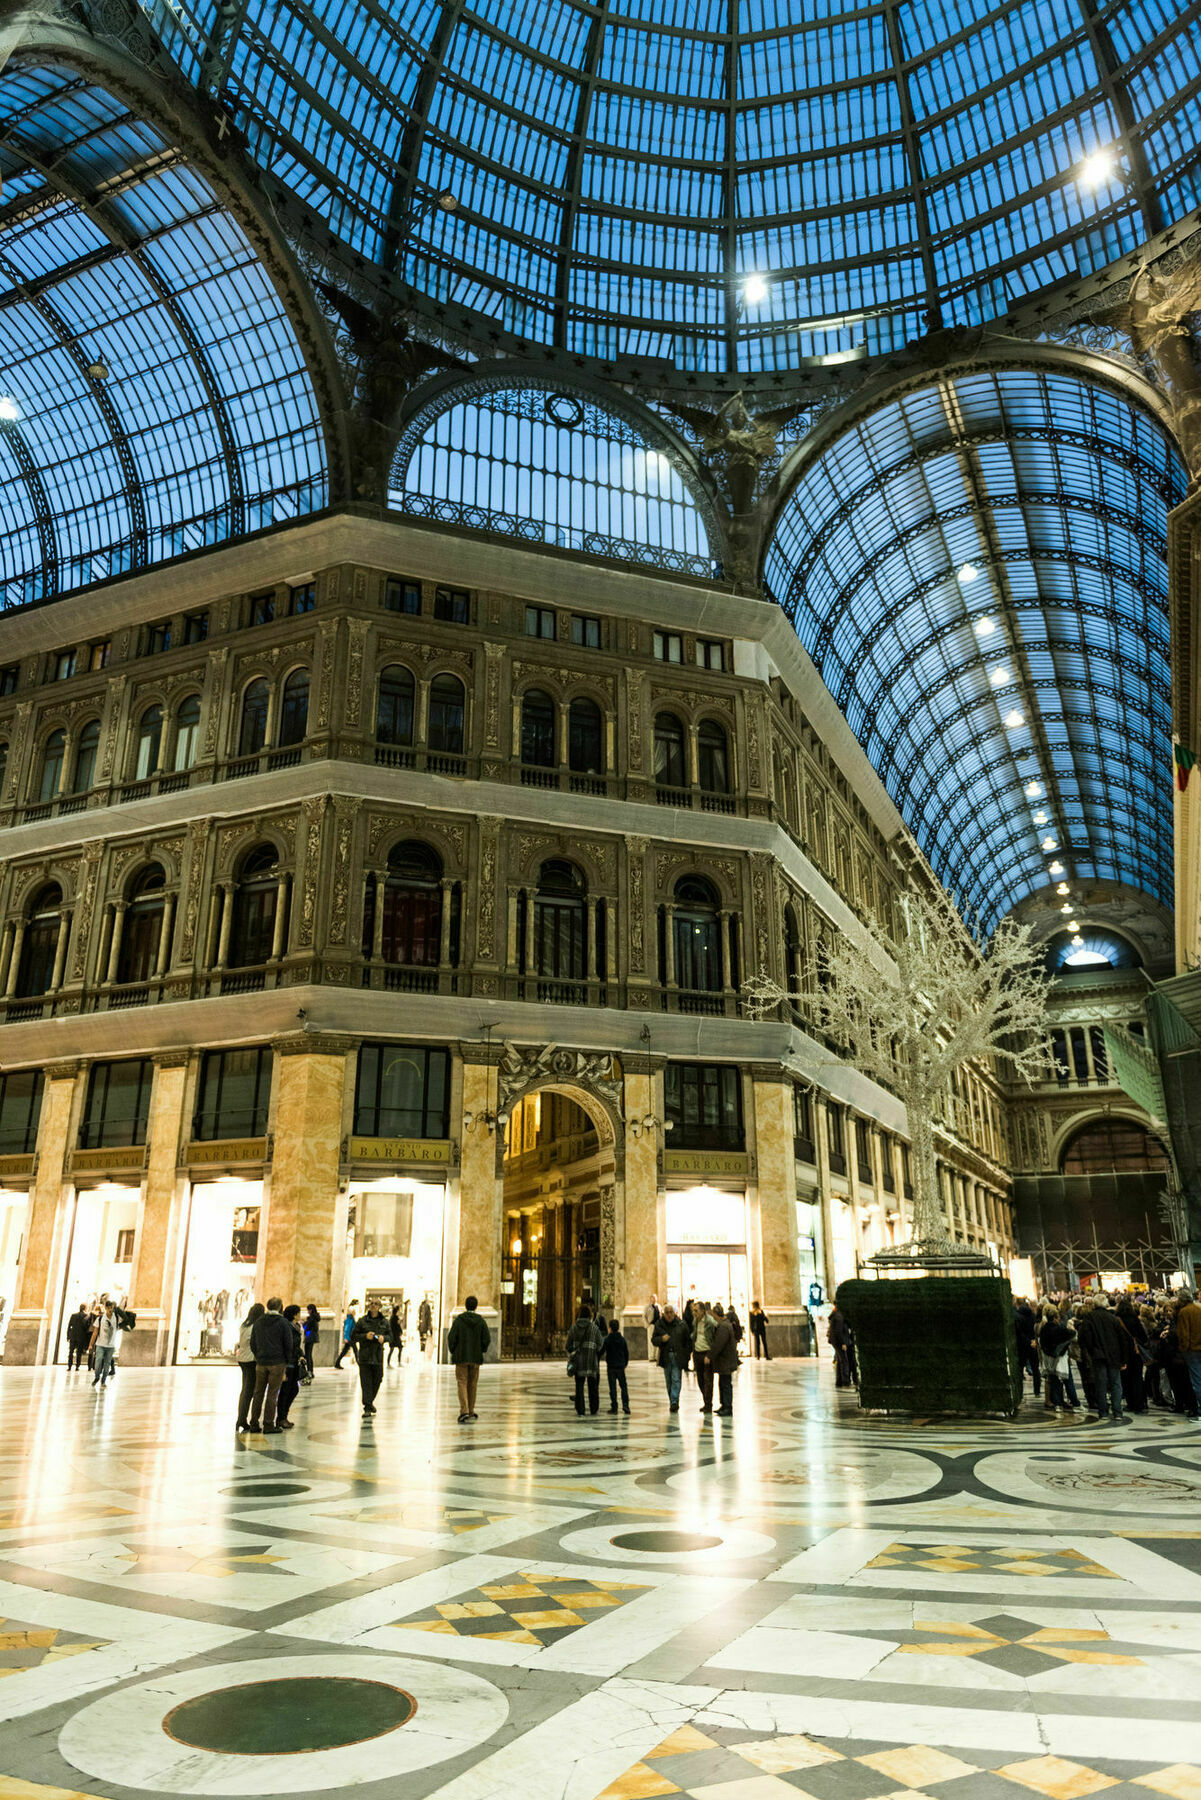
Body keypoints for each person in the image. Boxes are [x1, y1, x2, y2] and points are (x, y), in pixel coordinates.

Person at [246, 1297, 293, 1434]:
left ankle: (254, 1423)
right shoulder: (283, 1322)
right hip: (277, 1363)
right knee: (272, 1394)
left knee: (258, 1393)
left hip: (261, 1363)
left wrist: (259, 1356)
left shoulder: (259, 1322)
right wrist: (286, 1361)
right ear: (280, 1307)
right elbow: (288, 1344)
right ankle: (268, 1424)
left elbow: (253, 1342)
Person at [448, 1295, 490, 1422]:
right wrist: (481, 1350)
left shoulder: (459, 1320)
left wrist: (453, 1350)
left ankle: (464, 1410)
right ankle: (471, 1410)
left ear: (466, 1306)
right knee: (473, 1384)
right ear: (476, 1306)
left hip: (461, 1357)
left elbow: (451, 1338)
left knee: (462, 1382)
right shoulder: (481, 1321)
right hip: (475, 1358)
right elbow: (486, 1339)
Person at [1037, 1305, 1077, 1414]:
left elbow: (1041, 1343)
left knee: (1054, 1381)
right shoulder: (1059, 1328)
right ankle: (1075, 1403)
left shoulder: (1043, 1328)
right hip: (1061, 1359)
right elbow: (1072, 1334)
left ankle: (1058, 1403)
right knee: (1068, 1381)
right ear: (1055, 1318)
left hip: (1049, 1360)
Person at [652, 1304, 692, 1413]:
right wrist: (661, 1339)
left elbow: (688, 1341)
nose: (669, 1315)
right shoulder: (659, 1324)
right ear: (663, 1314)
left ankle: (674, 1401)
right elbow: (654, 1340)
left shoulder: (681, 1324)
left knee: (676, 1379)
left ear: (674, 1313)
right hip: (666, 1356)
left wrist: (687, 1356)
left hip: (677, 1356)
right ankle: (672, 1400)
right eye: (667, 1313)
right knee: (669, 1381)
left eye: (671, 1312)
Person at [566, 1305, 604, 1415]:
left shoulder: (573, 1328)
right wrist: (594, 1351)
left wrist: (573, 1353)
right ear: (589, 1316)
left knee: (579, 1386)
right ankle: (594, 1408)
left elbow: (568, 1345)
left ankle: (580, 1409)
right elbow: (601, 1344)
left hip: (579, 1362)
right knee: (593, 1387)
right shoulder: (594, 1328)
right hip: (592, 1362)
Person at [352, 1298, 388, 1417]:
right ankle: (367, 1406)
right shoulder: (362, 1321)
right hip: (365, 1356)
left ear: (380, 1307)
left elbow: (391, 1336)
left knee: (378, 1378)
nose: (373, 1306)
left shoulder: (384, 1322)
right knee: (366, 1381)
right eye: (371, 1303)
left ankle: (369, 1401)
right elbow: (354, 1336)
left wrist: (384, 1338)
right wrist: (365, 1336)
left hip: (377, 1356)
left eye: (376, 1304)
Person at [235, 1302, 265, 1431]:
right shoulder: (256, 1326)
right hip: (251, 1359)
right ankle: (242, 1420)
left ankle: (241, 1419)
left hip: (242, 1359)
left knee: (245, 1390)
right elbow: (255, 1343)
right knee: (249, 1391)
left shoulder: (244, 1325)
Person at [709, 1302, 740, 1416]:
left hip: (725, 1361)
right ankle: (724, 1405)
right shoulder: (724, 1325)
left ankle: (727, 1406)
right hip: (724, 1361)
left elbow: (719, 1344)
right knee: (722, 1383)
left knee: (726, 1384)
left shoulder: (724, 1326)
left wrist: (710, 1356)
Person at [275, 1305, 304, 1428]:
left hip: (294, 1361)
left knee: (293, 1389)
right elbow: (287, 1345)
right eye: (299, 1312)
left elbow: (296, 1346)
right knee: (286, 1391)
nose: (300, 1314)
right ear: (294, 1314)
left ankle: (283, 1416)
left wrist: (301, 1355)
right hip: (288, 1363)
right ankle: (281, 1418)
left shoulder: (295, 1326)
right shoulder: (287, 1326)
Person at [1177, 1288, 1201, 1419]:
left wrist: (1183, 1348)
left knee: (1196, 1380)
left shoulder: (1184, 1312)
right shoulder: (1198, 1308)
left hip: (1192, 1350)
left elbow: (1184, 1333)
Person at [600, 1316, 631, 1414]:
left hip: (611, 1366)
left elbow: (602, 1351)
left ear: (610, 1328)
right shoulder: (622, 1339)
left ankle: (614, 1407)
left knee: (612, 1388)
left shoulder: (607, 1340)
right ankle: (626, 1405)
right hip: (621, 1366)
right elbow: (626, 1352)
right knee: (623, 1387)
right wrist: (625, 1363)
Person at [89, 1299, 120, 1389]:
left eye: (112, 1308)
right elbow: (95, 1332)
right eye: (109, 1307)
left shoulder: (116, 1318)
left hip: (110, 1346)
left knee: (107, 1364)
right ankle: (97, 1377)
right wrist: (91, 1344)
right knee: (98, 1362)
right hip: (100, 1344)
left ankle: (103, 1380)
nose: (111, 1309)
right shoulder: (100, 1318)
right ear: (105, 1308)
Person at [692, 1300, 715, 1413]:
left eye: (696, 1311)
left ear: (702, 1311)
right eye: (693, 1311)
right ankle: (706, 1401)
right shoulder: (695, 1321)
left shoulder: (710, 1322)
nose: (694, 1313)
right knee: (700, 1380)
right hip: (697, 1353)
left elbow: (715, 1339)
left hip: (706, 1353)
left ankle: (708, 1404)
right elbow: (694, 1334)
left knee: (708, 1380)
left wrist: (710, 1355)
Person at [1014, 1300, 1040, 1395]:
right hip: (1033, 1344)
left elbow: (1019, 1333)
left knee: (1020, 1368)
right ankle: (1037, 1390)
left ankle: (1020, 1391)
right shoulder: (1032, 1316)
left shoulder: (1018, 1318)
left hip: (1022, 1346)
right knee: (1035, 1369)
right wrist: (1033, 1341)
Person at [827, 1306, 854, 1387]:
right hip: (839, 1342)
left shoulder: (837, 1315)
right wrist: (843, 1343)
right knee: (844, 1361)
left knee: (840, 1360)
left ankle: (839, 1382)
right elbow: (838, 1332)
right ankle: (845, 1382)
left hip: (835, 1341)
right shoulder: (839, 1317)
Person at [66, 1304, 91, 1372]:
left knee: (71, 1351)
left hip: (73, 1336)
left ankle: (69, 1366)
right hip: (81, 1337)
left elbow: (69, 1326)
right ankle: (77, 1366)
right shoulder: (86, 1316)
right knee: (79, 1352)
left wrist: (68, 1336)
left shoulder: (73, 1315)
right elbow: (87, 1328)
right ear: (85, 1308)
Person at [334, 1302, 358, 1368]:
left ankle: (337, 1363)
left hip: (351, 1338)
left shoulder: (351, 1319)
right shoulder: (349, 1319)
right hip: (350, 1338)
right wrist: (346, 1338)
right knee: (355, 1351)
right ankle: (359, 1364)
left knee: (345, 1351)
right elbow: (347, 1329)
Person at [302, 1304, 320, 1376]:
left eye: (308, 1310)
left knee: (308, 1355)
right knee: (309, 1354)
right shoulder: (315, 1318)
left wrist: (304, 1323)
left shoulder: (311, 1318)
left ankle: (309, 1371)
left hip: (309, 1337)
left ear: (311, 1310)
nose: (307, 1311)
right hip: (312, 1337)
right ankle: (311, 1371)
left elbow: (306, 1327)